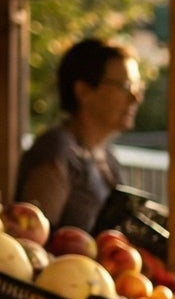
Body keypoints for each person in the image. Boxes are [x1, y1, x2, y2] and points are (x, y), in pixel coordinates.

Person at [14, 39, 143, 234]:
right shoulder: (55, 152)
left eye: (138, 87)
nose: (136, 97)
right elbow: (33, 242)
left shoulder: (106, 156)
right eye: (125, 86)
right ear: (83, 91)